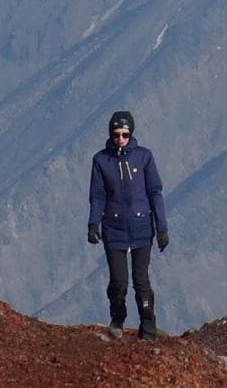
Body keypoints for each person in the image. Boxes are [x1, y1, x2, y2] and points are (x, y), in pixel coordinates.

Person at [86, 110, 170, 338]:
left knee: (141, 280)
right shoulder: (101, 160)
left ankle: (148, 325)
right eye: (116, 134)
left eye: (124, 134)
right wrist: (93, 224)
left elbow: (155, 192)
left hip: (142, 227)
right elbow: (98, 195)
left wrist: (162, 227)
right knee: (118, 281)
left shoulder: (144, 157)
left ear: (131, 133)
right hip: (114, 229)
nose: (120, 138)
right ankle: (118, 317)